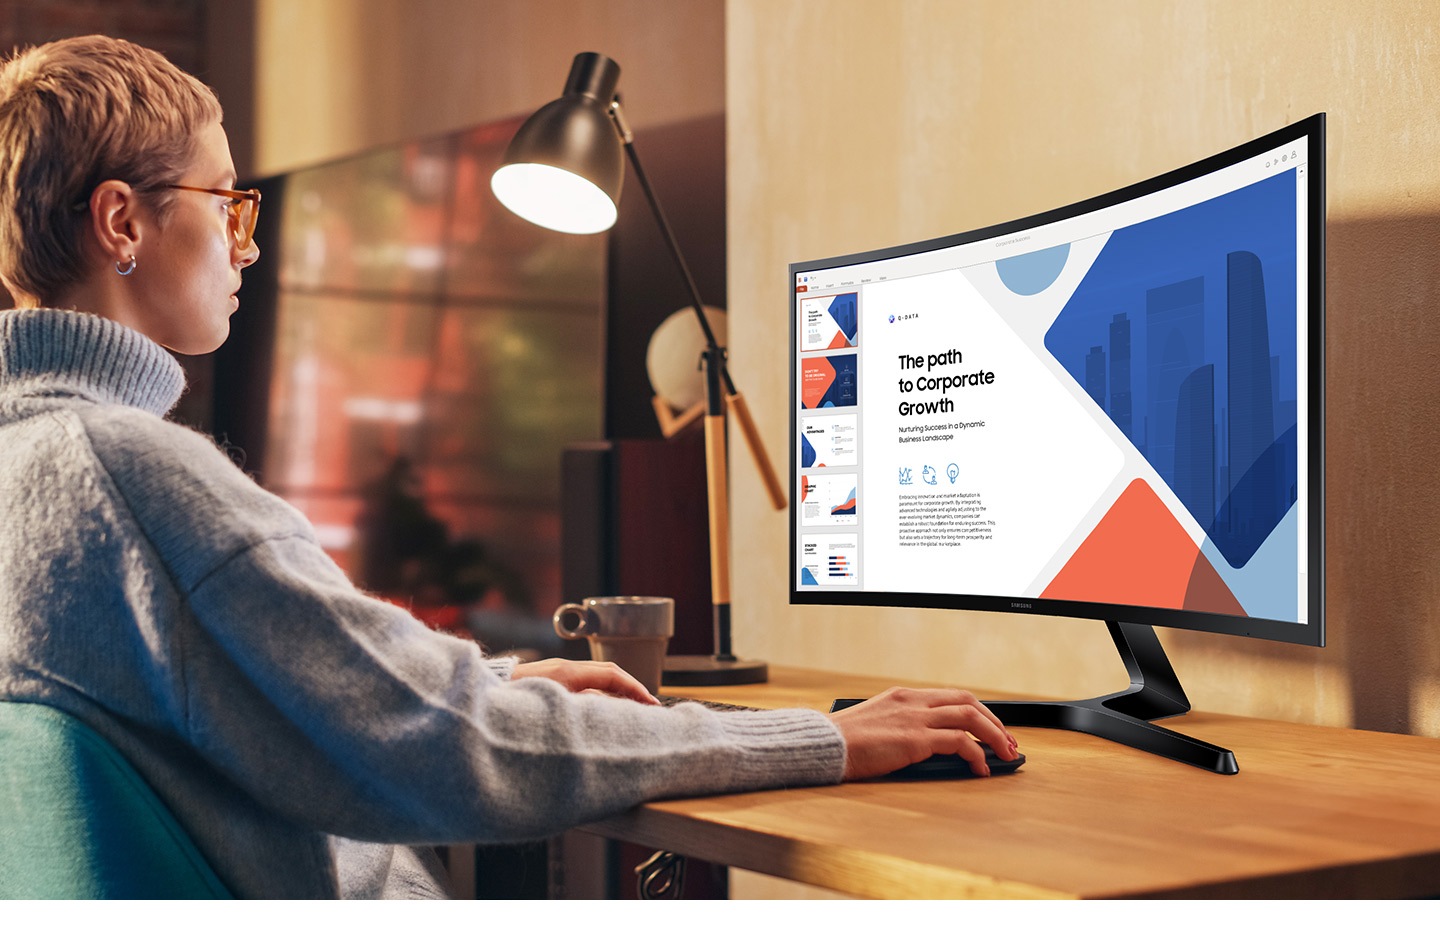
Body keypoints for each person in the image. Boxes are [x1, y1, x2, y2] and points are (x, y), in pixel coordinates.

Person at [0, 35, 1018, 899]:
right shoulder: (134, 476)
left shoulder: (33, 467)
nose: (247, 247)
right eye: (228, 205)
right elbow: (449, 748)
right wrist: (828, 739)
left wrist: (482, 680)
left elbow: (258, 699)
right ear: (124, 221)